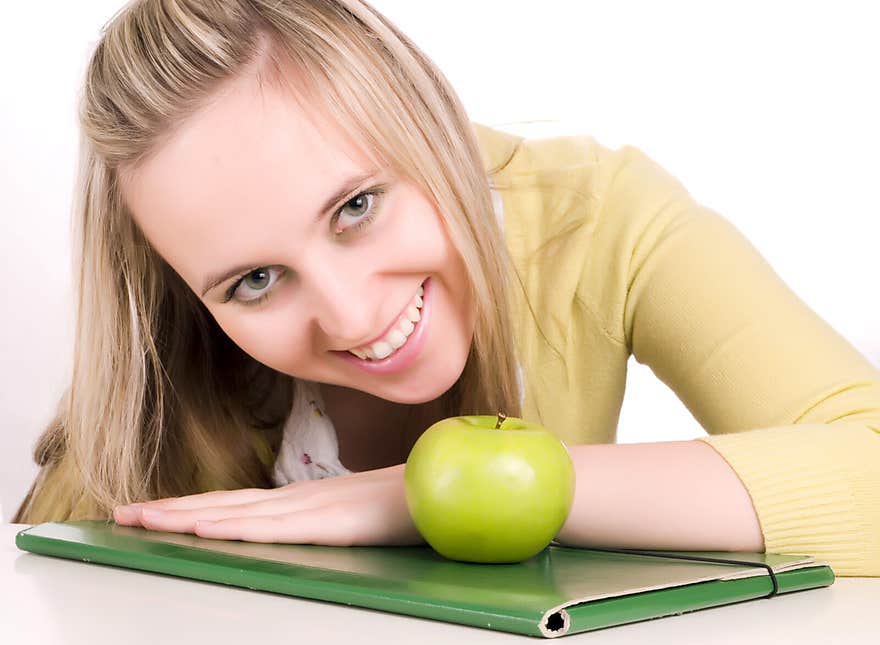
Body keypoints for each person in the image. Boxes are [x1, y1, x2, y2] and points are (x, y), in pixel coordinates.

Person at [12, 0, 880, 577]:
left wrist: (439, 494)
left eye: (357, 205)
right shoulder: (169, 341)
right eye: (255, 280)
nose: (353, 316)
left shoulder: (601, 216)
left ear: (425, 111)